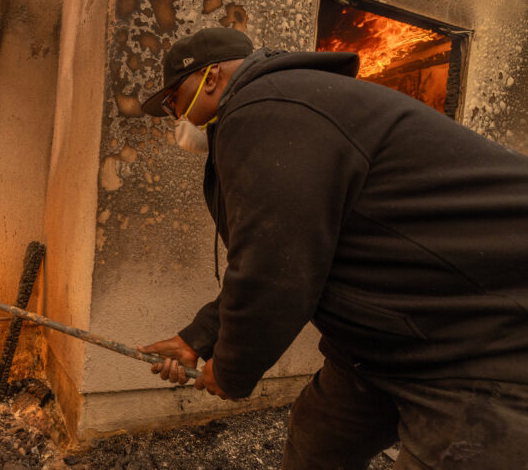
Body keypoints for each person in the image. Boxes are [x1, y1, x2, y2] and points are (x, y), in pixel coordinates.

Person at [137, 26, 528, 469]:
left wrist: (230, 369)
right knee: (318, 442)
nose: (176, 118)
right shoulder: (281, 111)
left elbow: (274, 272)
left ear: (210, 79)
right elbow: (293, 252)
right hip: (384, 344)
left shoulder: (266, 108)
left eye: (174, 100)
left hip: (481, 341)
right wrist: (198, 337)